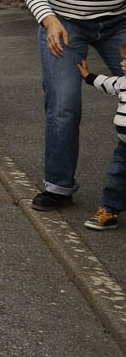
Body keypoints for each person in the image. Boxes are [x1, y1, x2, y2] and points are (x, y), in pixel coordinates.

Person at [24, 0, 126, 210]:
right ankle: (58, 186)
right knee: (64, 104)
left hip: (119, 21)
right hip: (66, 23)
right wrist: (49, 20)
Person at [76, 56, 126, 231]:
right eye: (123, 58)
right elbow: (105, 83)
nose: (122, 63)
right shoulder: (122, 82)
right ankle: (109, 211)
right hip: (123, 146)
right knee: (116, 176)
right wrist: (88, 75)